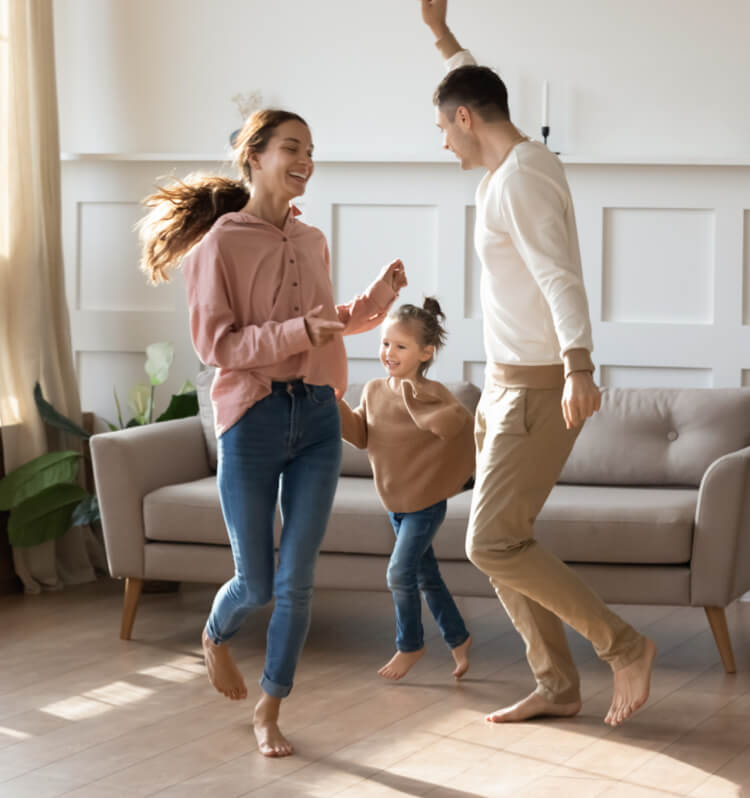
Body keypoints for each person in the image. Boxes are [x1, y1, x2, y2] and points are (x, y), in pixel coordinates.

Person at [137, 109, 407, 757]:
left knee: (296, 582)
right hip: (251, 422)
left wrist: (372, 304)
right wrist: (296, 334)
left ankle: (271, 708)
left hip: (315, 416)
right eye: (292, 147)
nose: (306, 158)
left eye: (312, 149)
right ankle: (214, 635)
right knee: (254, 583)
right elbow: (217, 346)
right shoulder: (220, 245)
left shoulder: (311, 241)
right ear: (252, 155)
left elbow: (321, 322)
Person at [417, 0, 655, 727]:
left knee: (489, 539)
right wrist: (443, 38)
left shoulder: (521, 177)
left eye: (443, 128)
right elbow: (469, 82)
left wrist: (580, 367)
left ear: (465, 119)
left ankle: (624, 646)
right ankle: (556, 685)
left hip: (537, 389)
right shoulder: (512, 160)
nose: (443, 145)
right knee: (501, 546)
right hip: (501, 386)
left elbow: (560, 276)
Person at [340, 298, 475, 682]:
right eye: (385, 344)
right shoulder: (373, 390)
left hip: (425, 503)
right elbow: (362, 435)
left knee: (399, 573)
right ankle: (459, 638)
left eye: (400, 346)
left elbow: (452, 426)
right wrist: (334, 407)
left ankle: (409, 644)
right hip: (394, 502)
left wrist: (414, 400)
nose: (389, 353)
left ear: (425, 352)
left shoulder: (433, 393)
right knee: (425, 576)